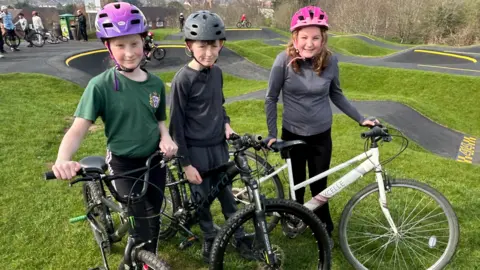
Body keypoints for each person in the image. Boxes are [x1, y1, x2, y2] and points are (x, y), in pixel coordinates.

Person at [51, 2, 178, 267]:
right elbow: (77, 129)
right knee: (138, 221)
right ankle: (135, 259)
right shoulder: (100, 86)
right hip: (123, 163)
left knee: (154, 215)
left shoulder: (155, 84)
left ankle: (146, 260)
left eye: (134, 44)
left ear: (144, 42)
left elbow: (159, 118)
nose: (129, 53)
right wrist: (63, 158)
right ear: (109, 47)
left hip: (154, 161)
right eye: (120, 45)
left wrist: (165, 136)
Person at [264, 6, 378, 245]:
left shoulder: (330, 60)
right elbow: (271, 98)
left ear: (323, 39)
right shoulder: (282, 61)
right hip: (292, 134)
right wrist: (272, 135)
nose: (309, 43)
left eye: (315, 38)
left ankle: (321, 224)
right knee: (297, 186)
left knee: (320, 185)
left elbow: (336, 94)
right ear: (295, 38)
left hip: (321, 135)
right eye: (304, 37)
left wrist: (360, 118)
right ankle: (294, 219)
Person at [169, 10, 253, 264]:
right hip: (195, 150)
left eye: (213, 46)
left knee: (226, 194)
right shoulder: (183, 80)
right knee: (202, 199)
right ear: (189, 46)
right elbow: (176, 125)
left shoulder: (216, 73)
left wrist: (226, 125)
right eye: (202, 46)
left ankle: (238, 235)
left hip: (218, 147)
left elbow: (220, 106)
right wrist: (185, 164)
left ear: (221, 45)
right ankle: (208, 235)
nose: (208, 53)